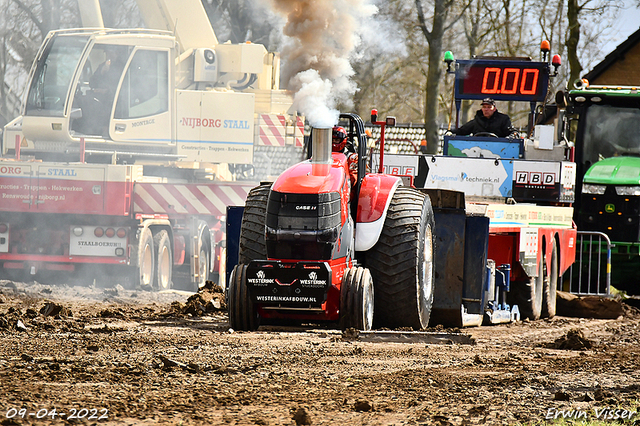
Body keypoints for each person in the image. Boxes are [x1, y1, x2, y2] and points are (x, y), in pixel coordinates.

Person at [452, 98, 518, 138]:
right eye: (484, 107)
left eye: (489, 107)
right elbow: (462, 131)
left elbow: (512, 132)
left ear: (494, 109)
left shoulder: (503, 120)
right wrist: (451, 133)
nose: (486, 109)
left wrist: (511, 137)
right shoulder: (477, 121)